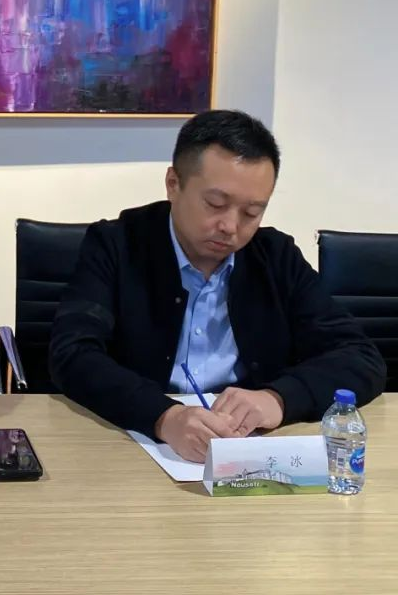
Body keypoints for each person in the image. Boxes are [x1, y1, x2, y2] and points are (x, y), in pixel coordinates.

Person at [49, 109, 385, 462]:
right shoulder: (116, 245)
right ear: (173, 184)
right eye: (215, 204)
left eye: (251, 212)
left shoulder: (275, 256)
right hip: (134, 446)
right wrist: (163, 416)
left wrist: (278, 399)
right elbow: (72, 354)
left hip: (247, 451)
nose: (230, 226)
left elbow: (360, 357)